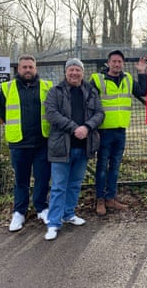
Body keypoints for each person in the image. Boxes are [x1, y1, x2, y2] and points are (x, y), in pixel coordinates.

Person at [44, 58, 104, 240]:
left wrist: (86, 127)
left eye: (78, 70)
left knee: (75, 184)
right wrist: (74, 128)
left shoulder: (91, 91)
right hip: (62, 147)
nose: (74, 73)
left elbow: (100, 113)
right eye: (71, 70)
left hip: (84, 146)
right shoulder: (55, 91)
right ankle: (53, 223)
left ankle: (68, 214)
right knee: (58, 186)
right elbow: (51, 113)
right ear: (65, 72)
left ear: (82, 72)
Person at [0, 54, 53, 232]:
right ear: (18, 69)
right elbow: (1, 115)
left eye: (31, 67)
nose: (28, 70)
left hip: (42, 142)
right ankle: (19, 212)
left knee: (42, 178)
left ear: (35, 68)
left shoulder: (47, 86)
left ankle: (42, 208)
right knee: (21, 180)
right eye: (24, 67)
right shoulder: (7, 88)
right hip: (19, 143)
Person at [90, 50, 147, 216]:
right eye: (114, 61)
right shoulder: (97, 79)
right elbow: (89, 103)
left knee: (115, 166)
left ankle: (111, 198)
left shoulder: (128, 79)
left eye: (119, 62)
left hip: (120, 131)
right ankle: (100, 199)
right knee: (101, 166)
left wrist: (142, 72)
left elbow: (143, 91)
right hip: (103, 131)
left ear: (123, 64)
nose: (117, 64)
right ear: (108, 63)